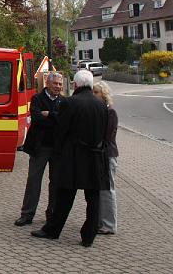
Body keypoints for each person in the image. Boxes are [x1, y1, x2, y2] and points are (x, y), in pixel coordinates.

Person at [31, 69, 109, 247]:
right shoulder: (101, 106)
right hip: (96, 157)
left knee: (65, 195)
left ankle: (53, 230)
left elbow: (61, 131)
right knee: (93, 198)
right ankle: (88, 236)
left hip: (74, 157)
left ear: (75, 84)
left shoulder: (70, 102)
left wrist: (59, 153)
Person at [15, 71, 64, 226]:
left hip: (57, 148)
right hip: (39, 147)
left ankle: (52, 214)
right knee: (34, 180)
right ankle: (27, 214)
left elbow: (65, 121)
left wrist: (48, 114)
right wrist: (55, 118)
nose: (58, 87)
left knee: (56, 182)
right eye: (55, 83)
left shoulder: (64, 101)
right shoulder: (37, 98)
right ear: (47, 84)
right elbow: (36, 118)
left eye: (60, 84)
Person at [93, 80, 118, 235]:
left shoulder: (110, 112)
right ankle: (101, 221)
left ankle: (109, 225)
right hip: (100, 154)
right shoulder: (101, 111)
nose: (94, 95)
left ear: (104, 94)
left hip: (107, 154)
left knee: (108, 189)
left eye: (96, 92)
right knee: (100, 189)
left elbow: (107, 136)